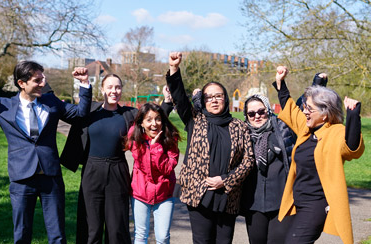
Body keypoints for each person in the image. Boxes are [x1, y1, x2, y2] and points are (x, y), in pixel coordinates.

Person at [0, 61, 92, 244]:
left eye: (43, 79)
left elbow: (80, 114)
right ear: (22, 83)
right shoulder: (4, 106)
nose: (43, 84)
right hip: (21, 179)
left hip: (50, 177)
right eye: (37, 80)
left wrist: (84, 83)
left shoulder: (51, 102)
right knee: (22, 233)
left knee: (57, 234)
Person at [60, 74, 174, 244]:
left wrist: (167, 101)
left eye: (118, 87)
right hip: (92, 171)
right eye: (110, 87)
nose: (114, 91)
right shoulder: (89, 110)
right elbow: (64, 112)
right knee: (92, 225)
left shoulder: (129, 114)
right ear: (102, 89)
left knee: (117, 227)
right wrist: (83, 84)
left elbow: (153, 119)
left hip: (117, 172)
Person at [166, 52, 255, 244]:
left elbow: (248, 161)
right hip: (199, 193)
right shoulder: (194, 120)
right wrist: (174, 69)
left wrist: (226, 180)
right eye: (209, 97)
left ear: (225, 99)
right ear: (203, 101)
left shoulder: (239, 126)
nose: (214, 100)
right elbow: (179, 97)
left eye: (218, 96)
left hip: (227, 196)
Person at [273, 66, 364, 244]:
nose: (304, 111)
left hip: (315, 205)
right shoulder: (306, 128)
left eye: (309, 108)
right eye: (305, 107)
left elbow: (352, 149)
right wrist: (280, 82)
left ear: (325, 113)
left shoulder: (336, 132)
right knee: (276, 239)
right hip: (295, 202)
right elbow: (290, 109)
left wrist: (353, 115)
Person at [240, 94, 296, 244]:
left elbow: (298, 112)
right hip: (253, 203)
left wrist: (318, 83)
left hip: (281, 200)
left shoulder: (282, 129)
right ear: (246, 115)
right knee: (256, 241)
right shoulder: (242, 134)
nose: (257, 116)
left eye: (261, 111)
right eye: (251, 113)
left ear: (268, 110)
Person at [126, 103, 180, 244]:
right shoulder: (135, 138)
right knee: (141, 235)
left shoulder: (170, 138)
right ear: (142, 123)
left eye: (157, 119)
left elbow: (168, 168)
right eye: (149, 120)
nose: (154, 124)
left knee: (162, 237)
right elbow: (144, 164)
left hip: (164, 193)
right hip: (140, 192)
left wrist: (156, 147)